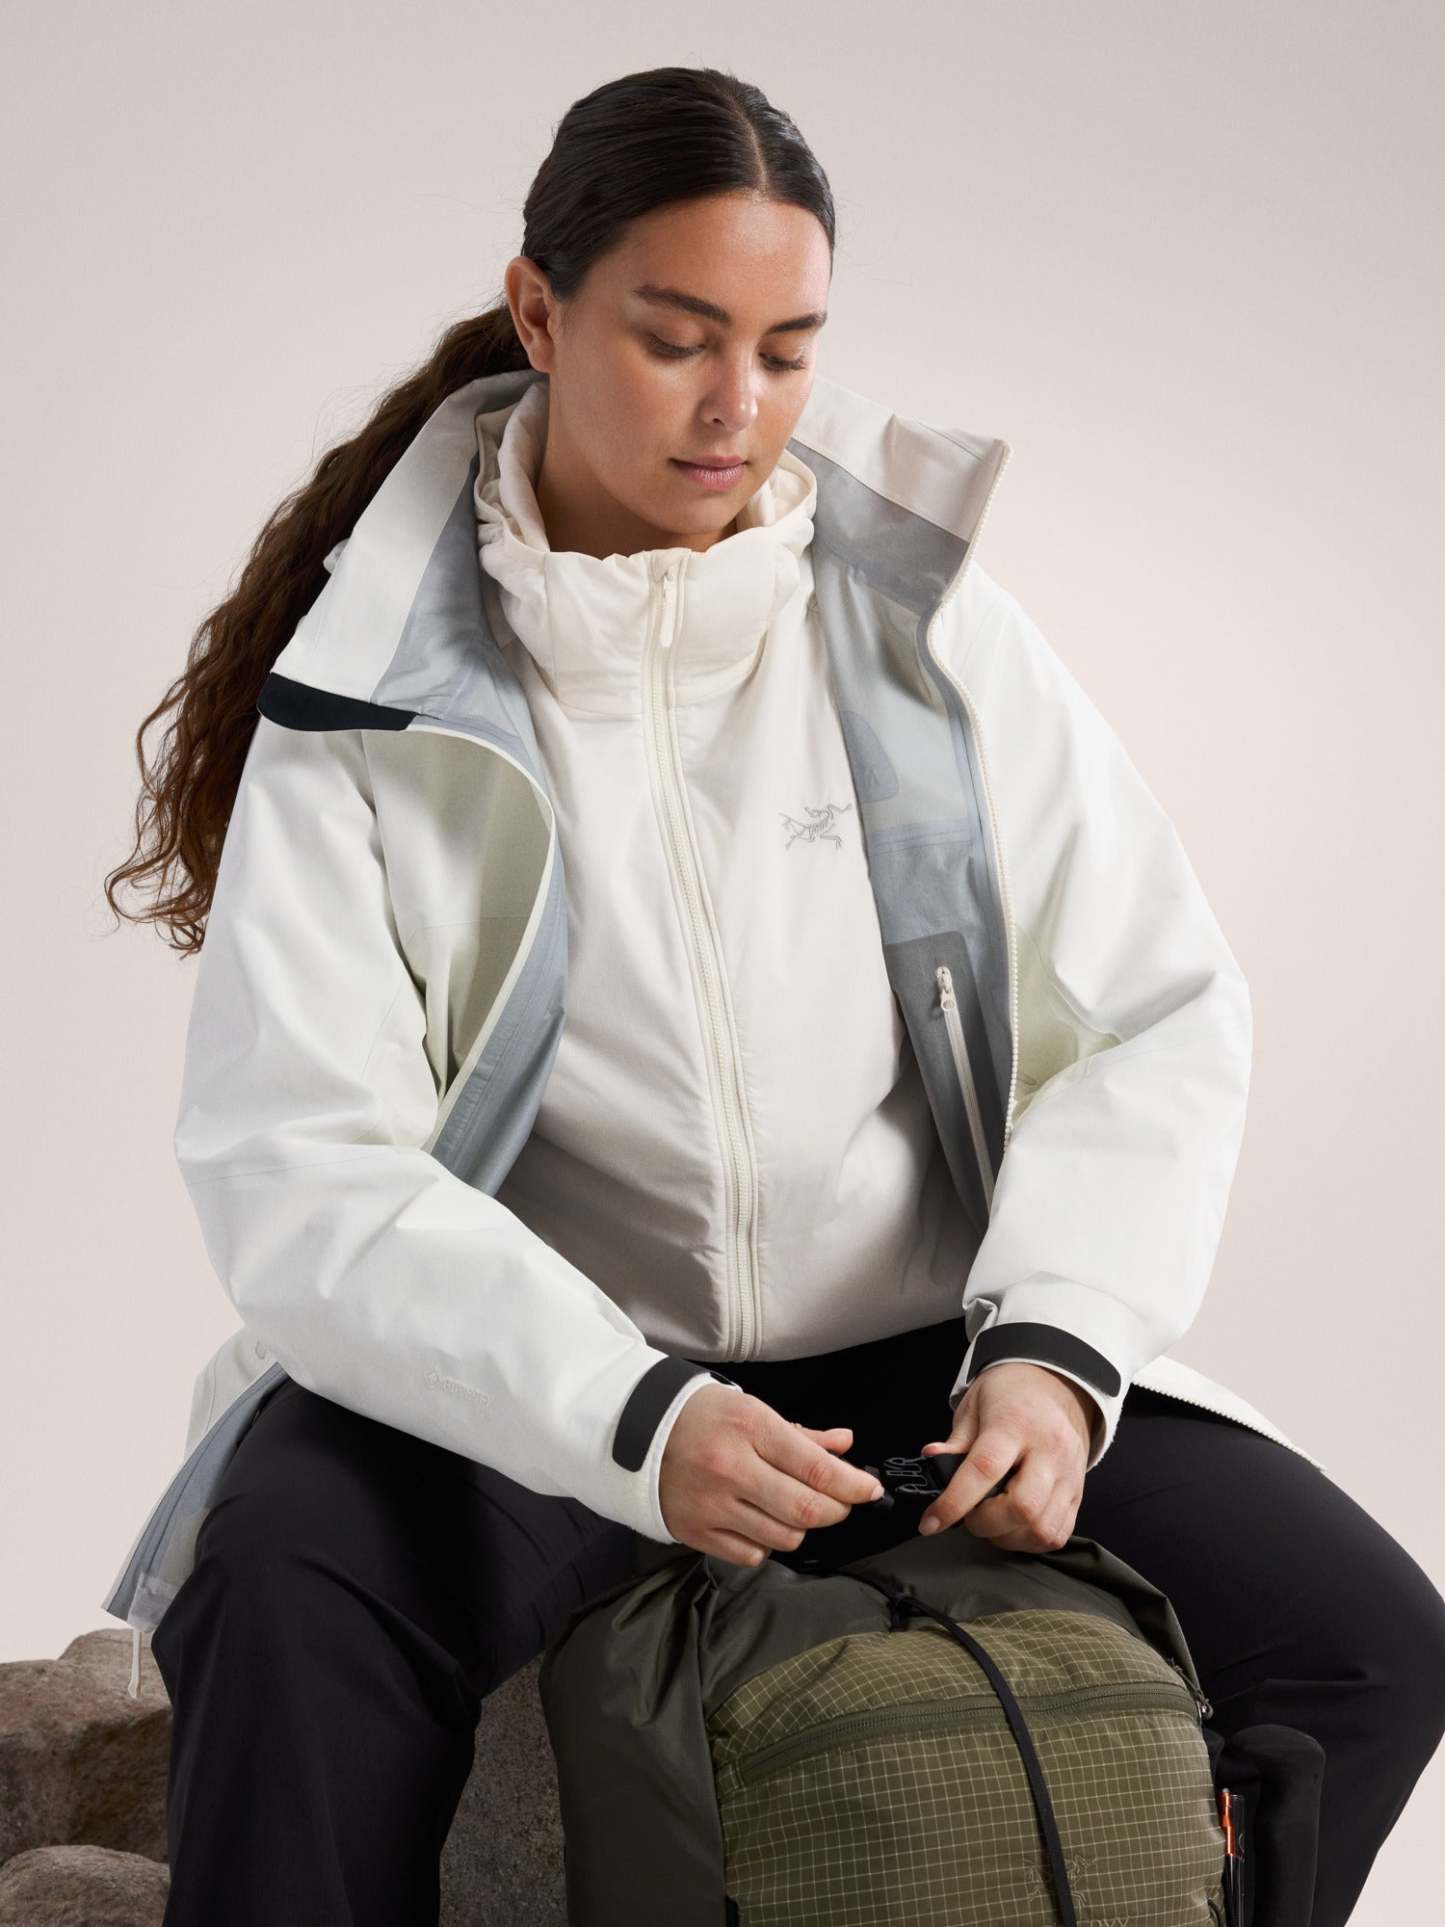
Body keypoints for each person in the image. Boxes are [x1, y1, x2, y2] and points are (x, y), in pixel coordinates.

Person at [101, 63, 1444, 1927]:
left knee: (1360, 1640)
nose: (738, 405)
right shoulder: (371, 688)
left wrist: (1054, 1352)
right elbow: (300, 1160)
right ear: (539, 312)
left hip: (912, 1365)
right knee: (287, 1596)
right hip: (536, 1381)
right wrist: (632, 1418)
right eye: (676, 340)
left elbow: (1149, 1008)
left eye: (788, 349)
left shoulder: (923, 627)